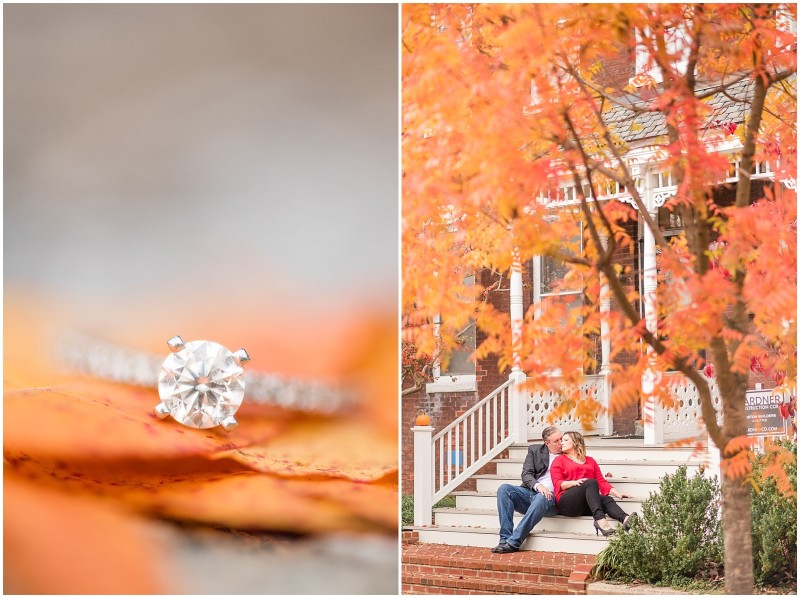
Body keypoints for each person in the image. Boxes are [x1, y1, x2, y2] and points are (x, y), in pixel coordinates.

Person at [550, 430, 636, 536]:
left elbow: (601, 481)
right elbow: (558, 483)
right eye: (561, 441)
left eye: (565, 440)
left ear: (576, 442)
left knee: (606, 499)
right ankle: (600, 520)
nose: (561, 443)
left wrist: (617, 493)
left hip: (585, 505)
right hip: (567, 503)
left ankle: (626, 519)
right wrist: (574, 483)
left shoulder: (590, 461)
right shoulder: (559, 460)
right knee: (590, 482)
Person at [492, 426, 563, 553]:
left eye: (561, 439)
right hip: (530, 493)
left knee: (543, 496)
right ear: (547, 443)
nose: (561, 443)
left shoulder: (568, 452)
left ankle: (514, 542)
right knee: (504, 489)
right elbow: (526, 474)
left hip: (551, 500)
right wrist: (538, 486)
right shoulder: (535, 450)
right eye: (556, 441)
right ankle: (504, 539)